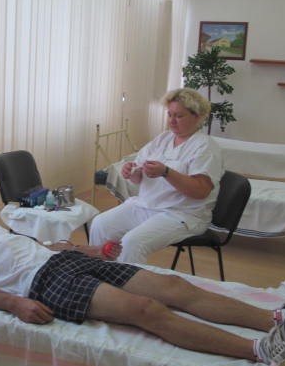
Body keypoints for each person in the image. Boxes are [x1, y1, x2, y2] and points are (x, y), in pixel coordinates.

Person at [0, 215, 285, 366]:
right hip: (44, 283)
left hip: (63, 261)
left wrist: (88, 250)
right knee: (146, 309)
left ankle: (278, 317)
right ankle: (262, 351)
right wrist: (16, 304)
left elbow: (40, 246)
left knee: (175, 287)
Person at [90, 88, 223, 264]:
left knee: (132, 243)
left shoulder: (205, 147)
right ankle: (98, 274)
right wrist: (132, 172)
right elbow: (139, 177)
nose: (172, 121)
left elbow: (201, 191)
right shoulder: (163, 139)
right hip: (146, 205)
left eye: (179, 116)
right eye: (170, 115)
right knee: (100, 224)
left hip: (182, 214)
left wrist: (166, 172)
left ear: (197, 117)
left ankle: (129, 281)